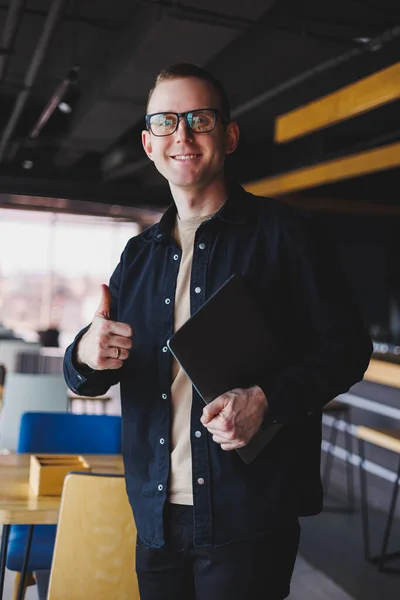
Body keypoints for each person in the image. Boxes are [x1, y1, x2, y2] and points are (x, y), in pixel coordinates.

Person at [64, 63, 372, 600]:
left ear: (228, 136)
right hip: (155, 516)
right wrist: (86, 354)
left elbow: (348, 348)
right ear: (148, 144)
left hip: (249, 518)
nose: (181, 134)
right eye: (165, 122)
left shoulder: (287, 237)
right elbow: (87, 378)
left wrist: (266, 399)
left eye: (198, 118)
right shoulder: (138, 256)